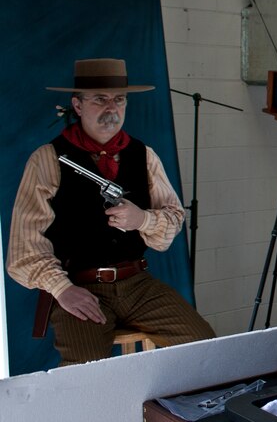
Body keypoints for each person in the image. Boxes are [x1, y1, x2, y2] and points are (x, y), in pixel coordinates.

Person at [7, 58, 215, 366]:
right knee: (87, 370)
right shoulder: (48, 160)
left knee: (205, 346)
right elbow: (23, 247)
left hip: (138, 284)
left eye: (119, 100)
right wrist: (62, 289)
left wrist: (142, 219)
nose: (111, 108)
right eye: (100, 100)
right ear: (77, 105)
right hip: (80, 285)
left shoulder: (144, 155)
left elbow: (171, 219)